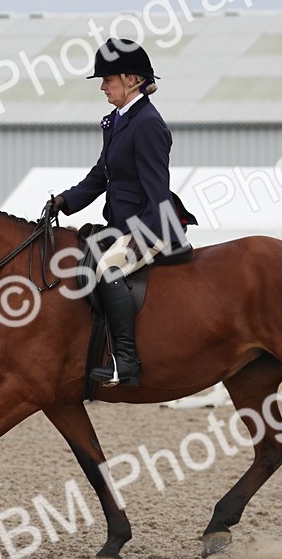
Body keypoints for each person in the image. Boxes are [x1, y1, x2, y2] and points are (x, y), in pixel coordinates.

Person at [45, 38, 198, 386]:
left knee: (107, 266)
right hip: (121, 223)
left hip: (152, 223)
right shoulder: (117, 120)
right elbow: (102, 173)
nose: (102, 86)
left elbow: (157, 191)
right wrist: (65, 202)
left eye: (108, 79)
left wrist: (140, 239)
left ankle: (123, 359)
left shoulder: (148, 124)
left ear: (132, 80)